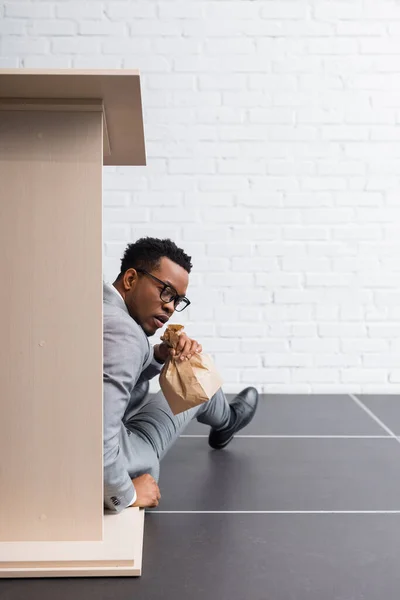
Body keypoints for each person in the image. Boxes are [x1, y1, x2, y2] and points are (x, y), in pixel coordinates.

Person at [103, 237, 259, 512]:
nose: (171, 307)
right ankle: (227, 422)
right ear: (130, 279)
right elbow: (97, 436)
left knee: (175, 372)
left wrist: (160, 355)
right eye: (166, 292)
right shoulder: (125, 334)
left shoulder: (94, 308)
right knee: (196, 381)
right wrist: (126, 495)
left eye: (178, 300)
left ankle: (225, 421)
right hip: (116, 464)